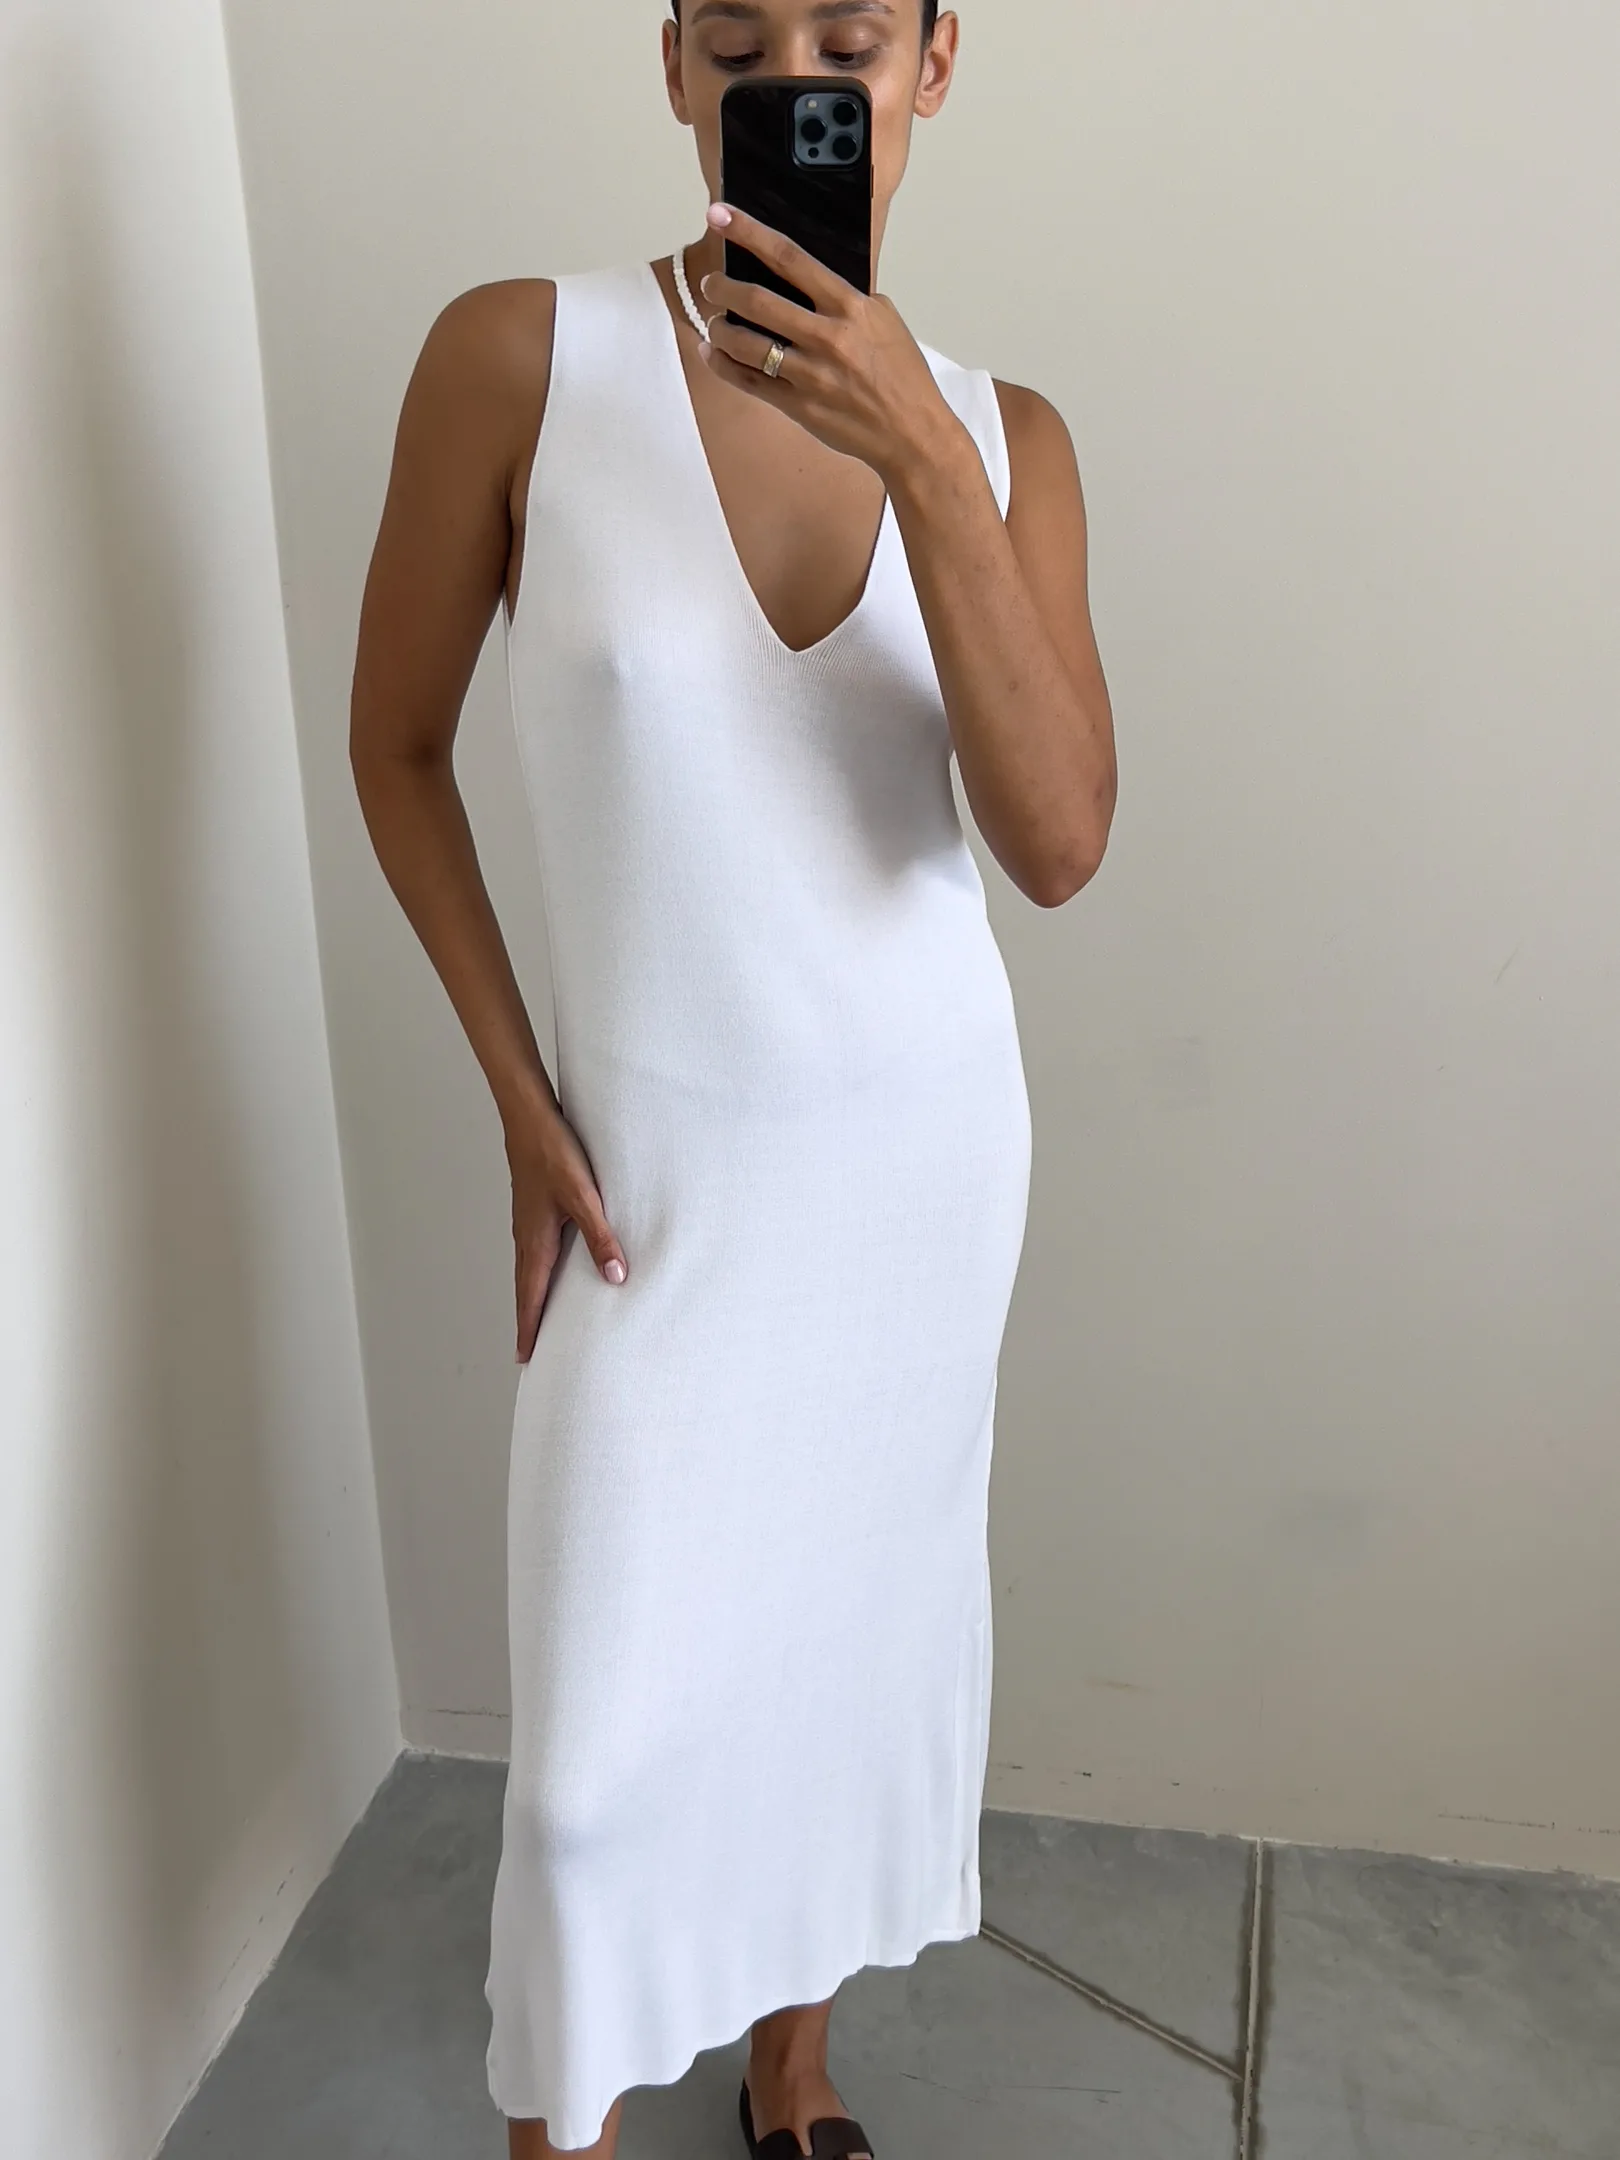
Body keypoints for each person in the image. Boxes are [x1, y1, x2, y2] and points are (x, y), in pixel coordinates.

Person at [350, 1, 1116, 2153]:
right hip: (653, 1188)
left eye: (850, 37)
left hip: (915, 1174)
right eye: (743, 34)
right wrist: (520, 1095)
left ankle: (794, 2066)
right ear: (675, 64)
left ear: (935, 66)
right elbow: (395, 746)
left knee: (836, 1659)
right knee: (590, 1784)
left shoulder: (1008, 437)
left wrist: (924, 463)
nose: (799, 76)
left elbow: (1058, 842)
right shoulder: (521, 361)